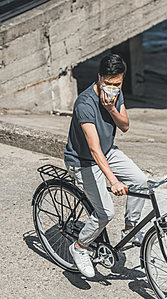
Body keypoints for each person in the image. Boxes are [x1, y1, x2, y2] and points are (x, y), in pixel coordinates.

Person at [64, 54, 148, 278]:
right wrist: (113, 181)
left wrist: (111, 108)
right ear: (99, 78)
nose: (112, 88)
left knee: (141, 181)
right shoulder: (84, 104)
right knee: (105, 212)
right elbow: (94, 149)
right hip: (83, 161)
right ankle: (80, 247)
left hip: (108, 152)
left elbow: (125, 126)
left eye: (117, 84)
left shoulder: (115, 95)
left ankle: (131, 228)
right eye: (108, 84)